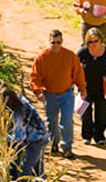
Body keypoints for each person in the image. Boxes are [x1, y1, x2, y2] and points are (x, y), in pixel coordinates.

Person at [30, 29, 87, 159]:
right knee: (52, 121)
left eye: (58, 42)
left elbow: (78, 73)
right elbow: (34, 77)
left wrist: (82, 88)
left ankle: (67, 146)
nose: (56, 45)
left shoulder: (70, 56)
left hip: (66, 93)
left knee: (67, 120)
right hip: (49, 94)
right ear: (49, 42)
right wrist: (38, 92)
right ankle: (54, 143)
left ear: (62, 42)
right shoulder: (42, 58)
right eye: (53, 42)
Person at [0, 82, 49, 182]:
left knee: (25, 174)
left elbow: (18, 138)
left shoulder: (17, 113)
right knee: (37, 173)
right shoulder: (20, 99)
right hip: (42, 136)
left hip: (35, 142)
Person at [77, 27, 106, 145]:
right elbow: (75, 68)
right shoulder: (83, 52)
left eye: (95, 41)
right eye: (90, 42)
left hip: (103, 88)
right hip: (86, 87)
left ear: (101, 40)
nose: (93, 44)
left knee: (101, 112)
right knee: (85, 112)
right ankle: (87, 135)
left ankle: (99, 136)